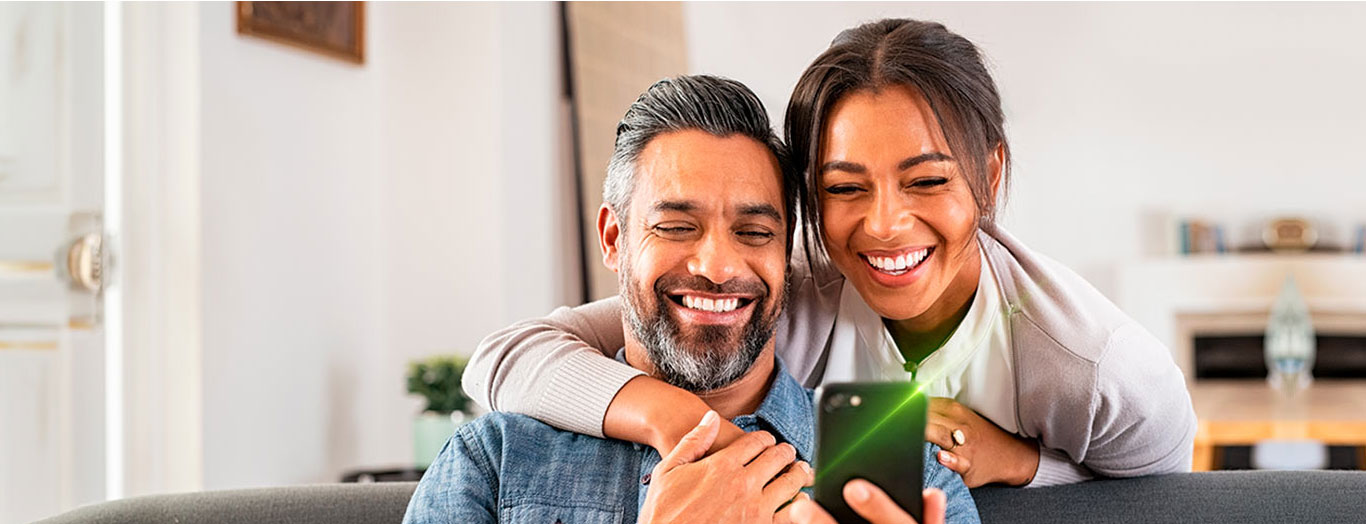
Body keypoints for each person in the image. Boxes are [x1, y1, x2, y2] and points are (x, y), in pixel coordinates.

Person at [465, 18, 1196, 489]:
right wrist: (679, 419)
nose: (884, 226)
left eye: (928, 181)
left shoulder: (1091, 363)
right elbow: (507, 358)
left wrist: (1022, 465)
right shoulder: (784, 299)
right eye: (845, 187)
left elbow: (1165, 495)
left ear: (990, 175)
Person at [404, 75, 977, 524]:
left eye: (755, 234)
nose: (718, 267)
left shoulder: (908, 470)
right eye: (677, 226)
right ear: (613, 239)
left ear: (786, 257)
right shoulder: (497, 460)